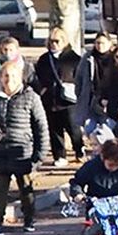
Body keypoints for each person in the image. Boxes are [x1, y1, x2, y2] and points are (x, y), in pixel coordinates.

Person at [0, 57, 48, 234]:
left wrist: (39, 155)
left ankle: (29, 219)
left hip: (23, 151)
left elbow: (41, 126)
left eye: (12, 76)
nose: (8, 80)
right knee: (0, 189)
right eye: (5, 76)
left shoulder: (31, 97)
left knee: (26, 189)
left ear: (20, 77)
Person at [33, 27, 83, 166]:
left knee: (73, 128)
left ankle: (79, 150)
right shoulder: (44, 59)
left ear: (64, 41)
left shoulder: (74, 58)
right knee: (54, 129)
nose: (53, 44)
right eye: (51, 41)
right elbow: (38, 77)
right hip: (49, 99)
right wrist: (42, 91)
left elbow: (79, 77)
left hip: (68, 100)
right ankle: (59, 155)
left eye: (57, 41)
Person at [73, 32, 117, 131]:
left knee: (108, 130)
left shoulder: (114, 58)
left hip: (107, 101)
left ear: (110, 44)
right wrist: (80, 94)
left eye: (103, 43)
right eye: (97, 43)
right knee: (89, 129)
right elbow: (79, 77)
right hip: (90, 99)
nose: (100, 46)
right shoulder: (88, 57)